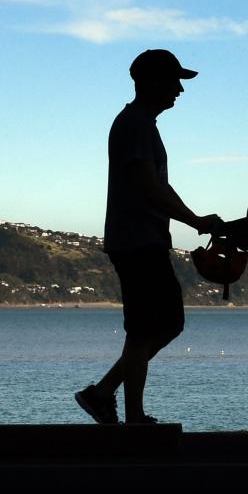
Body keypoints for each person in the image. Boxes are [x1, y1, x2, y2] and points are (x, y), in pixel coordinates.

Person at [75, 49, 222, 425]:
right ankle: (131, 414)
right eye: (174, 81)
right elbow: (147, 187)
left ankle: (103, 393)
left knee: (167, 323)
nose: (179, 90)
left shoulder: (143, 125)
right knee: (144, 329)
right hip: (137, 241)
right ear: (152, 82)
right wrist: (195, 220)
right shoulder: (135, 124)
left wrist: (195, 220)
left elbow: (159, 186)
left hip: (144, 239)